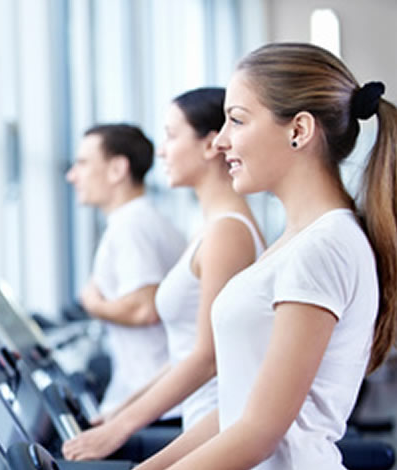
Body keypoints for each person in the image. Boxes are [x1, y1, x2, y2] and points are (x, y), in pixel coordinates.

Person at [136, 42, 397, 470]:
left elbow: (258, 433)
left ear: (299, 130)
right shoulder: (300, 239)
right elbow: (241, 410)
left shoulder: (324, 247)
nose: (221, 142)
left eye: (236, 120)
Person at [63, 88, 265, 461]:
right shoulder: (210, 229)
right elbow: (186, 353)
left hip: (214, 427)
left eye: (172, 136)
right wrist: (121, 410)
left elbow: (207, 357)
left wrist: (120, 429)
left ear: (210, 145)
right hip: (199, 418)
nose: (161, 152)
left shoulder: (226, 233)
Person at [65, 124, 186, 418]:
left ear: (118, 168)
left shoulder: (131, 226)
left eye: (82, 163)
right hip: (154, 396)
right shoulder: (145, 220)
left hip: (157, 404)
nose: (72, 176)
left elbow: (143, 309)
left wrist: (92, 304)